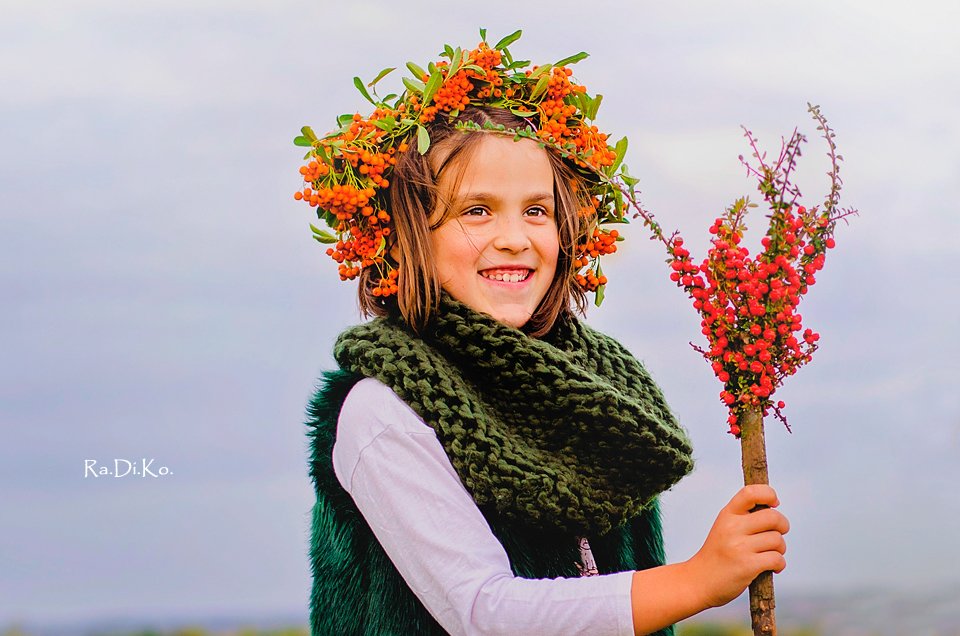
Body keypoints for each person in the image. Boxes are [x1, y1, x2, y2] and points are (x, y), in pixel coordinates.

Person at [299, 32, 789, 636]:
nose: (514, 236)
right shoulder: (384, 409)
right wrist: (696, 581)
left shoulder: (598, 393)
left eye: (536, 210)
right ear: (405, 238)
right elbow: (484, 613)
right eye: (476, 210)